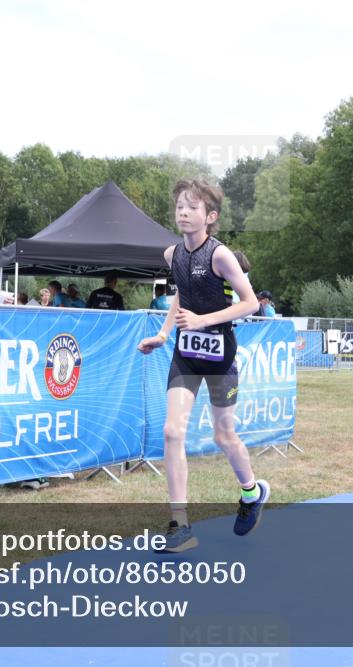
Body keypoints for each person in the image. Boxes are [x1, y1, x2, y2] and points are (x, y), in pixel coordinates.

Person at [136, 179, 266, 554]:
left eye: (191, 207)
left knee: (224, 436)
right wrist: (163, 333)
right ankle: (179, 526)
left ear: (209, 217)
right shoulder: (171, 255)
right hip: (186, 354)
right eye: (179, 206)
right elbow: (181, 295)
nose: (182, 212)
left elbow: (251, 303)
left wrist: (204, 321)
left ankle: (251, 492)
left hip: (220, 354)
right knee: (172, 431)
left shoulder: (220, 255)